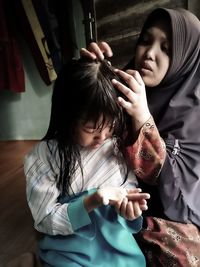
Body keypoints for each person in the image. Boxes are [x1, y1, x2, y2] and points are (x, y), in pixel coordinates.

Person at [80, 7, 200, 266]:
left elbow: (176, 190)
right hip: (108, 198)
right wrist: (90, 74)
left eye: (166, 49)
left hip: (164, 214)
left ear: (186, 58)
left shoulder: (194, 114)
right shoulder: (123, 86)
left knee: (182, 255)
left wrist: (143, 116)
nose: (149, 54)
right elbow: (81, 136)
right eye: (145, 41)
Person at [24, 57, 150, 267]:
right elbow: (44, 219)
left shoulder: (116, 147)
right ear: (69, 117)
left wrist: (129, 208)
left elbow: (128, 188)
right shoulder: (43, 157)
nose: (102, 137)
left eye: (110, 125)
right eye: (91, 127)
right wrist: (92, 200)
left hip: (117, 247)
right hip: (70, 251)